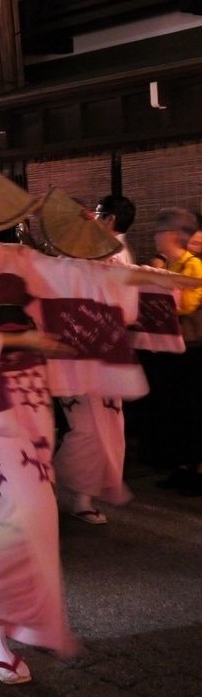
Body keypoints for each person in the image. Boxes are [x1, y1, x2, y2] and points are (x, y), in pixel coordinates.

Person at [0, 128, 200, 686]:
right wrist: (20, 341)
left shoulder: (14, 254)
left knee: (12, 521)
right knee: (32, 517)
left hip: (29, 396)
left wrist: (149, 279)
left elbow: (84, 275)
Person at [51, 192, 138, 523]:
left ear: (109, 219)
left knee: (102, 426)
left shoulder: (113, 253)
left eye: (97, 213)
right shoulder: (96, 250)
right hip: (83, 348)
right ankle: (69, 491)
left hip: (98, 349)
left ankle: (79, 494)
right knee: (88, 426)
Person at [136, 207, 202, 495]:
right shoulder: (172, 267)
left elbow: (187, 305)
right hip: (174, 348)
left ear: (174, 235)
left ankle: (197, 471)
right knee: (177, 410)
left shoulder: (194, 266)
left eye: (160, 233)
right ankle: (182, 467)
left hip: (193, 348)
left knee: (193, 409)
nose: (156, 238)